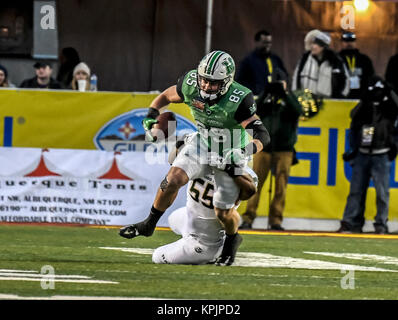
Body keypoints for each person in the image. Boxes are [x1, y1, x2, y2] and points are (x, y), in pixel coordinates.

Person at [119, 50, 270, 266]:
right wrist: (150, 118)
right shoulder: (190, 83)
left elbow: (262, 134)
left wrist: (244, 152)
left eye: (213, 83)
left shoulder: (238, 98)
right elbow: (164, 96)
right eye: (204, 80)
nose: (207, 86)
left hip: (231, 151)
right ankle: (149, 223)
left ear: (227, 82)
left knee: (222, 209)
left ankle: (232, 239)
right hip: (203, 142)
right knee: (172, 179)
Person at [152, 136, 258, 265]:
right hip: (194, 219)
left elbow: (249, 191)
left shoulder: (243, 174)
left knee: (157, 256)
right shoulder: (201, 157)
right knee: (172, 218)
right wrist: (181, 142)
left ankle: (211, 250)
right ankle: (193, 239)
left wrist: (229, 169)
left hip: (205, 242)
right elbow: (172, 162)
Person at [339, 76, 398, 234]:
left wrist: (388, 92)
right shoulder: (364, 104)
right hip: (363, 154)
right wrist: (365, 99)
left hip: (382, 153)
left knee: (382, 193)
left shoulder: (390, 105)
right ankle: (351, 223)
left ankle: (381, 224)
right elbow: (353, 117)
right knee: (356, 191)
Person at [240, 81, 302, 230]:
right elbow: (252, 110)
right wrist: (265, 93)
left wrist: (285, 94)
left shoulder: (290, 100)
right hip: (264, 149)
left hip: (285, 150)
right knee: (255, 184)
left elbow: (298, 110)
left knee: (281, 187)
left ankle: (276, 220)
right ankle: (248, 218)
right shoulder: (267, 100)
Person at [292, 32, 350, 98]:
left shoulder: (336, 61)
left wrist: (340, 98)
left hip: (328, 102)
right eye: (313, 43)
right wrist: (296, 96)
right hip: (306, 101)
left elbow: (346, 80)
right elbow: (296, 79)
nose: (312, 46)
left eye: (316, 44)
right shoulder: (304, 60)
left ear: (323, 47)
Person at [236, 30, 288, 96]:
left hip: (275, 99)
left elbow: (284, 75)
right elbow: (240, 81)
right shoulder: (248, 61)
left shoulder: (275, 59)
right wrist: (255, 90)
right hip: (257, 99)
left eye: (269, 42)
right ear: (257, 42)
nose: (268, 45)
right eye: (265, 43)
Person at [339, 32, 375, 99]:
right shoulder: (337, 59)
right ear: (342, 43)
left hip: (361, 96)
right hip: (342, 95)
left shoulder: (364, 59)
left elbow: (370, 76)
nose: (349, 43)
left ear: (355, 42)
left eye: (351, 41)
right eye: (346, 41)